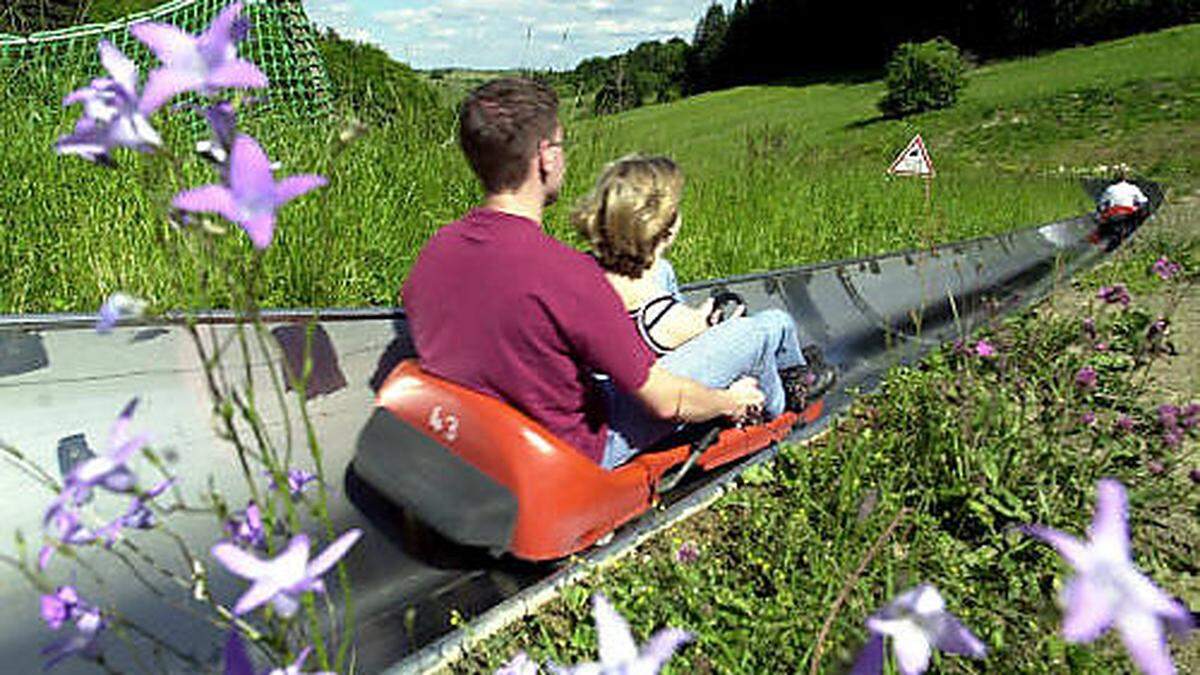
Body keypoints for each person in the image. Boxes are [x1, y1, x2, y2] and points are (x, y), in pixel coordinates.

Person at [401, 78, 764, 470]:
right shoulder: (567, 273)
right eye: (560, 144)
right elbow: (663, 401)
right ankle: (776, 412)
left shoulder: (435, 251)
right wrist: (730, 400)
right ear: (545, 157)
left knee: (666, 282)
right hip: (574, 452)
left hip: (476, 441)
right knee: (758, 333)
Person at [571, 155, 836, 467]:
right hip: (637, 409)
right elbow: (671, 392)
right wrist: (715, 346)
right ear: (666, 230)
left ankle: (792, 371)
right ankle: (782, 399)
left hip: (614, 387)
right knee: (765, 328)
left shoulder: (583, 271)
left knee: (759, 321)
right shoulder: (669, 318)